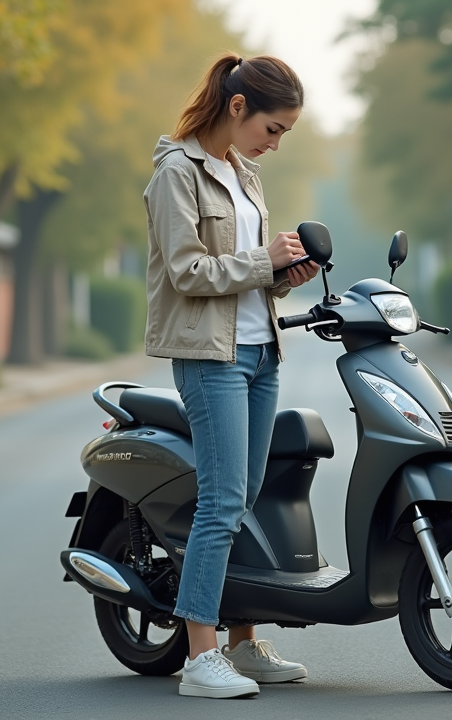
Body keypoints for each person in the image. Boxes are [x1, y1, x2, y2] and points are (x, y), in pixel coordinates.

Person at [143, 52, 320, 699]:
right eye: (273, 130)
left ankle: (242, 646)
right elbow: (187, 273)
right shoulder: (176, 173)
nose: (274, 145)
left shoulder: (243, 173)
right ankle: (199, 657)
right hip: (209, 354)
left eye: (285, 135)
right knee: (219, 503)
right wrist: (259, 259)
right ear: (239, 107)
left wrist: (280, 275)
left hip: (260, 351)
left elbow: (245, 276)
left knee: (244, 502)